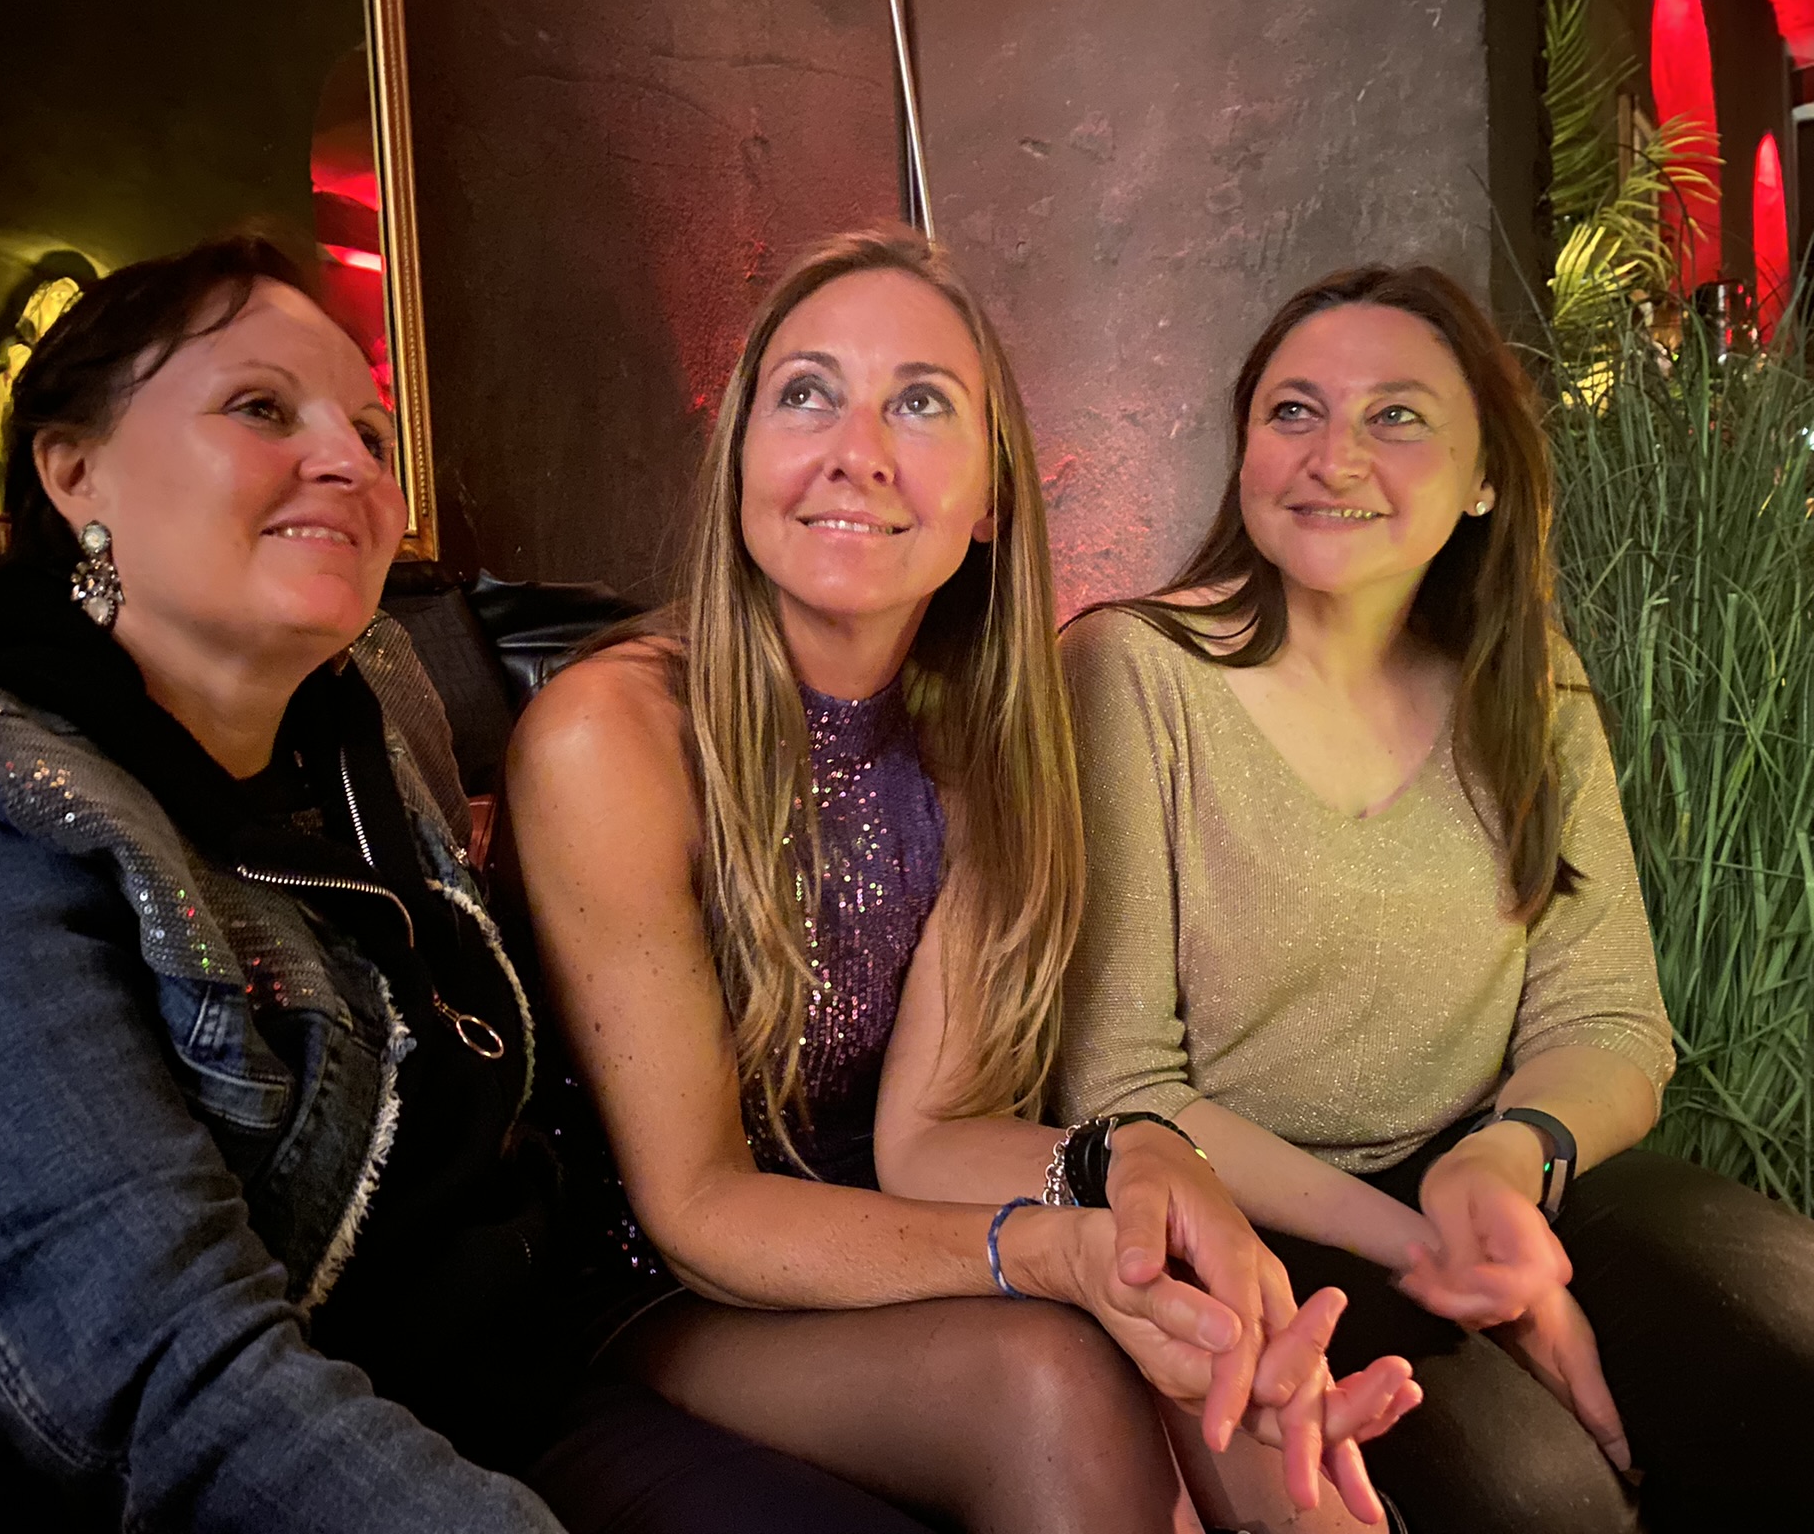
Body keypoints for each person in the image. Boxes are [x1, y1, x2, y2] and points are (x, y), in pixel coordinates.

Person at [0, 236, 990, 1534]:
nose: (347, 462)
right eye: (260, 408)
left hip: (476, 1375)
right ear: (75, 471)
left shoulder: (353, 728)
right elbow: (170, 1396)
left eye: (369, 432)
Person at [507, 226, 1420, 1534]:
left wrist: (1134, 1159)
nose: (858, 450)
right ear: (741, 458)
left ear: (990, 497)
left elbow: (925, 1135)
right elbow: (693, 1206)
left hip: (882, 1234)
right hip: (654, 1286)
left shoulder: (973, 749)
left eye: (920, 404)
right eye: (807, 393)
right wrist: (1050, 1252)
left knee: (1223, 1362)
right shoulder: (611, 738)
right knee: (1058, 1375)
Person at [1055, 263, 1814, 1532]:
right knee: (1530, 1502)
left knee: (1789, 1367)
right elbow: (1117, 1085)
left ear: (1482, 481)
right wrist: (1428, 1250)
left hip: (1486, 1166)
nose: (1332, 457)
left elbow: (1609, 1022)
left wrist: (1501, 1167)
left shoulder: (1531, 688)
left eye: (1395, 416)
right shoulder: (1130, 673)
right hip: (1245, 1210)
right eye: (1292, 411)